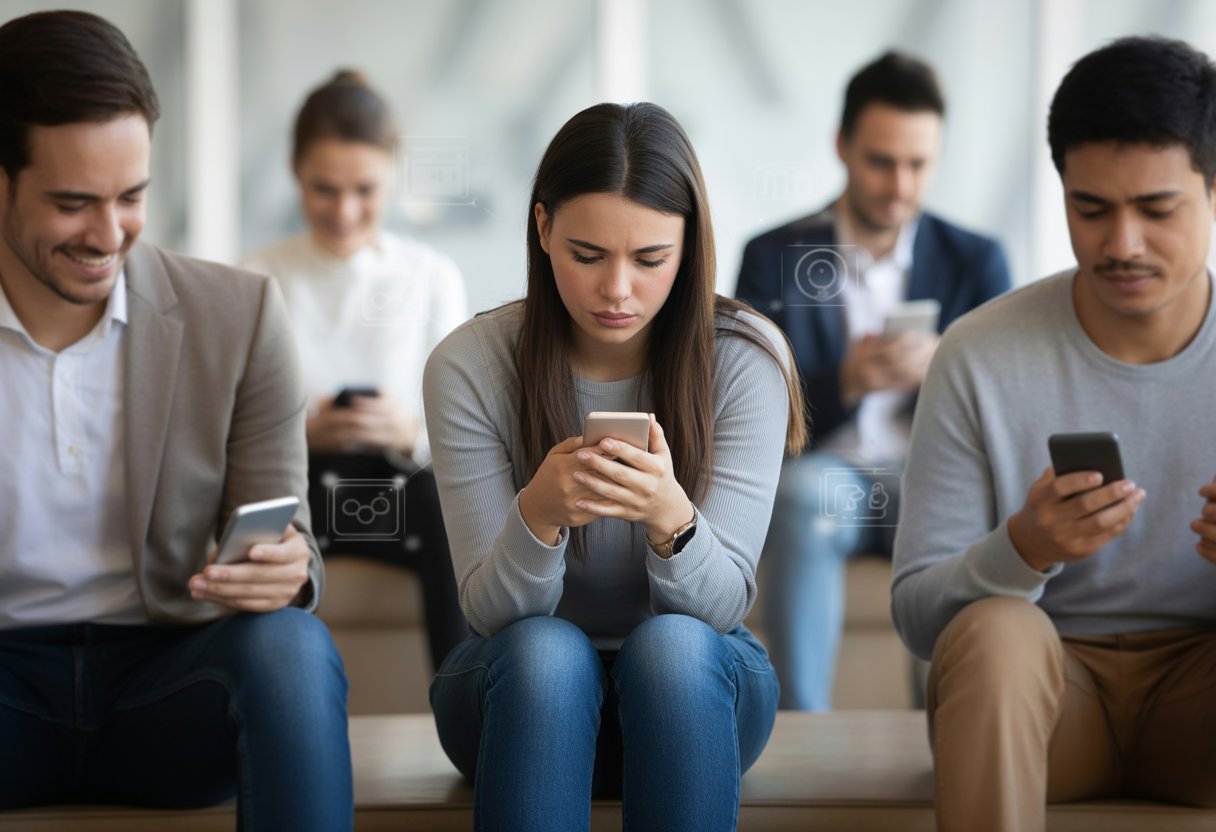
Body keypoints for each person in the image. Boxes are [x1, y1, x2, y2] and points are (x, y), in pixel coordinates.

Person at [0, 11, 351, 828]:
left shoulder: (237, 314)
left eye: (131, 197)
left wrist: (288, 570)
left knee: (292, 652)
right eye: (72, 202)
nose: (108, 232)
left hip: (166, 679)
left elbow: (286, 533)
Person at [423, 102, 806, 831]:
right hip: (515, 699)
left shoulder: (746, 358)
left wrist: (671, 519)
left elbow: (723, 609)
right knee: (544, 653)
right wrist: (537, 516)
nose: (618, 291)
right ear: (542, 230)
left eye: (651, 259)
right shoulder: (469, 366)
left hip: (693, 697)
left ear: (690, 246)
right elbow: (490, 616)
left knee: (672, 648)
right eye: (588, 255)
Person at [891, 36, 1216, 832]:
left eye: (1157, 209)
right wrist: (1025, 547)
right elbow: (919, 617)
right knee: (998, 627)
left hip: (1200, 711)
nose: (1122, 244)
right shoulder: (980, 353)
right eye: (1091, 208)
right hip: (1042, 705)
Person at [735, 50, 1011, 710]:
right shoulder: (774, 258)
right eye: (881, 161)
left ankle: (954, 731)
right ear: (842, 147)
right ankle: (802, 729)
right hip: (830, 479)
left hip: (934, 476)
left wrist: (946, 368)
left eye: (919, 164)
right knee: (802, 498)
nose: (900, 186)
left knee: (966, 515)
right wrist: (846, 381)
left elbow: (1008, 400)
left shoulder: (976, 261)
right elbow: (750, 416)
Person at [242, 70, 469, 670]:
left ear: (391, 176)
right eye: (324, 189)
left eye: (364, 190)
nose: (344, 211)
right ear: (295, 172)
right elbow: (226, 428)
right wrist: (302, 433)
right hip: (300, 488)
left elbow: (468, 437)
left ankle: (473, 715)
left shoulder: (430, 276)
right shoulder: (256, 277)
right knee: (255, 509)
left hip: (397, 491)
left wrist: (406, 433)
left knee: (453, 506)